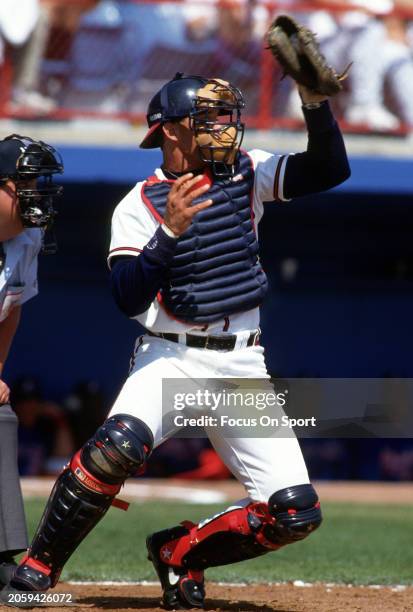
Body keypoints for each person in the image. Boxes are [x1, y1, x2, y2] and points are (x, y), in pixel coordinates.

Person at [2, 70, 350, 609]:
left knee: (294, 513)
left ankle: (179, 553)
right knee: (114, 449)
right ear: (169, 132)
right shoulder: (137, 204)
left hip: (244, 365)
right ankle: (39, 566)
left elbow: (330, 168)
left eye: (224, 117)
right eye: (205, 119)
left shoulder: (247, 170)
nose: (222, 129)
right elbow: (126, 295)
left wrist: (314, 102)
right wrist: (169, 232)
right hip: (173, 358)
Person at [0, 134, 63, 586]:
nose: (35, 191)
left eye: (38, 181)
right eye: (23, 181)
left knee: (0, 416)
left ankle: (2, 556)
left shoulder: (28, 239)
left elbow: (12, 308)